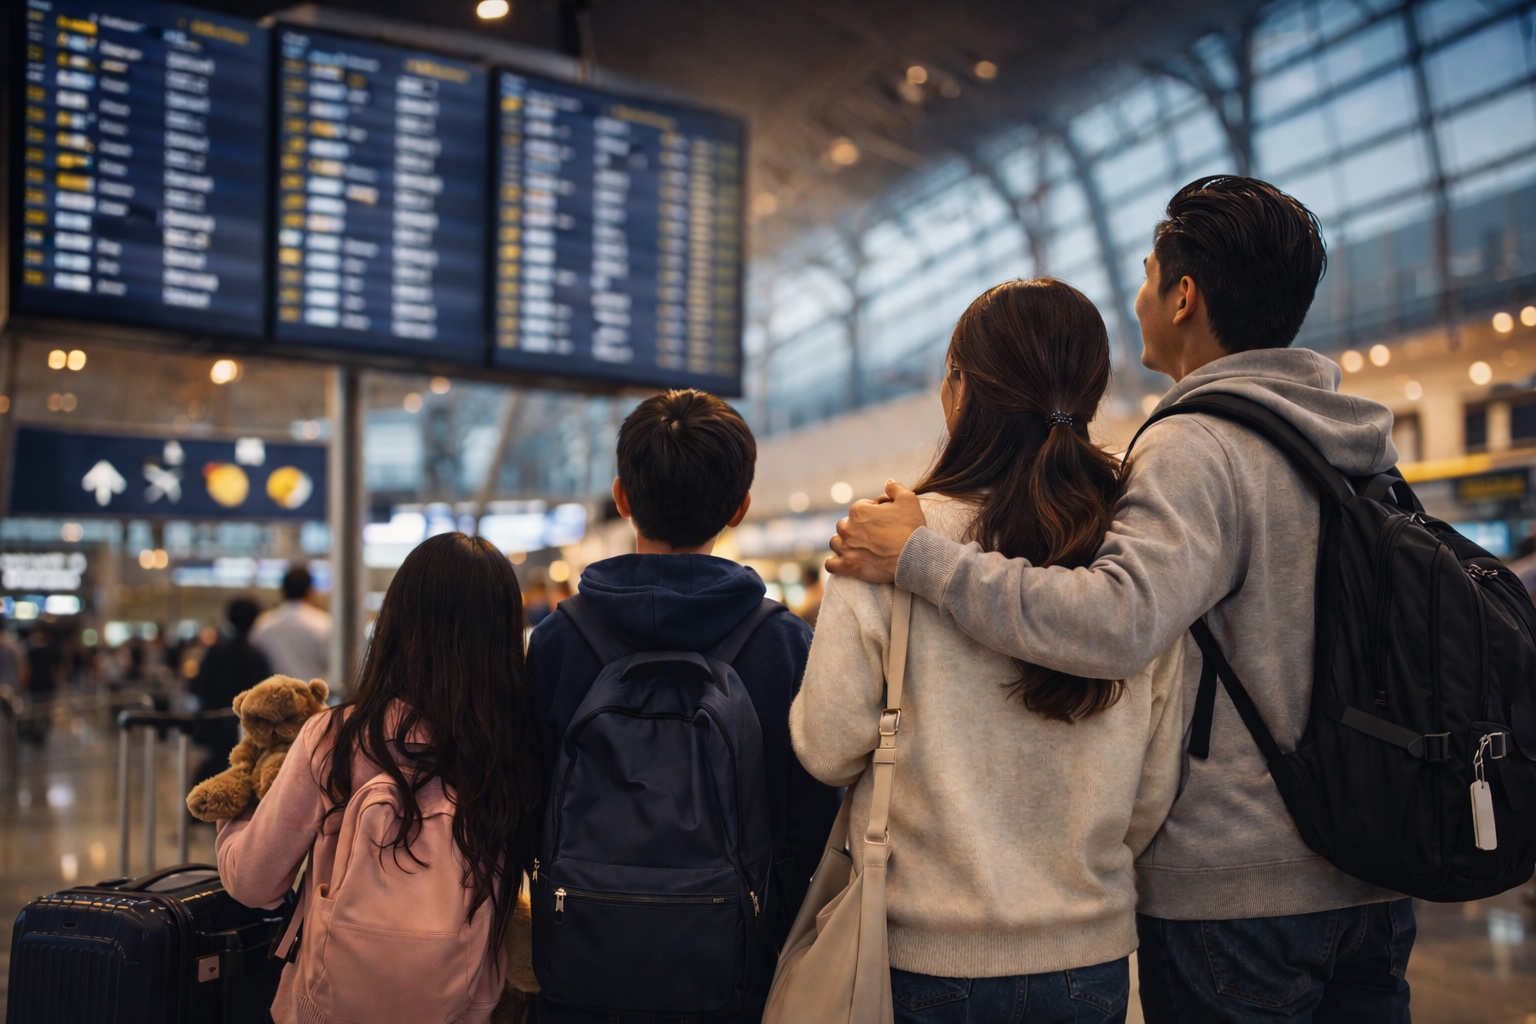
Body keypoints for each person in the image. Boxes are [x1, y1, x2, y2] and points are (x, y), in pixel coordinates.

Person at [828, 176, 1416, 1023]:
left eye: (1147, 275)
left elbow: (1115, 624)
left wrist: (922, 559)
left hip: (1241, 895)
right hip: (1373, 874)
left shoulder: (1198, 444)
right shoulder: (1358, 445)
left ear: (1184, 296)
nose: (1138, 298)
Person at [793, 278, 1188, 1024]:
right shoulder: (1140, 564)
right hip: (1090, 959)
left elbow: (826, 745)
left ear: (960, 391)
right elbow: (1154, 790)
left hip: (922, 958)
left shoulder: (890, 542)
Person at [527, 389, 840, 1024]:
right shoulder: (784, 646)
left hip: (581, 968)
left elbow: (524, 802)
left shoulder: (561, 641)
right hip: (734, 976)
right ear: (740, 507)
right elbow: (814, 825)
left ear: (622, 497)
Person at [216, 533, 541, 1024]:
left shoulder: (337, 738)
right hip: (465, 1008)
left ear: (397, 623)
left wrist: (235, 812)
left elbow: (254, 883)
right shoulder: (514, 750)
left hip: (327, 1008)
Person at [189, 598, 272, 785]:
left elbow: (199, 685)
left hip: (216, 726)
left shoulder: (216, 652)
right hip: (245, 728)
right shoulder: (257, 656)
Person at [250, 566, 332, 685]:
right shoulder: (324, 623)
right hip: (312, 696)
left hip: (274, 695)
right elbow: (331, 664)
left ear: (282, 590)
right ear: (310, 590)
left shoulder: (264, 624)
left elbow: (255, 662)